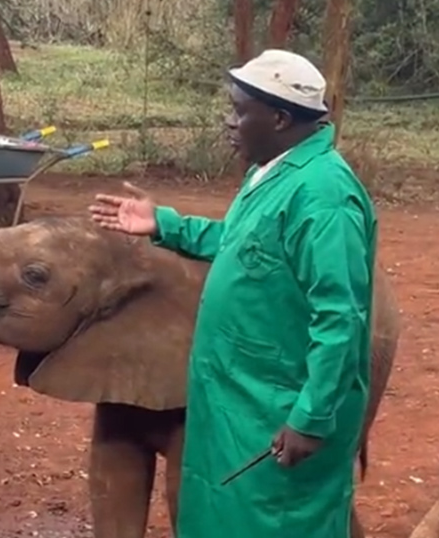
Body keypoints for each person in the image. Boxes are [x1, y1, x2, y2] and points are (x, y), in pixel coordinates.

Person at [88, 49, 376, 537]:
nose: (229, 122)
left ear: (281, 118)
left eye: (240, 111)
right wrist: (165, 224)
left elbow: (340, 317)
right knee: (229, 518)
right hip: (242, 400)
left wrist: (310, 417)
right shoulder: (273, 173)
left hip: (279, 404)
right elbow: (244, 244)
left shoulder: (325, 197)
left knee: (277, 522)